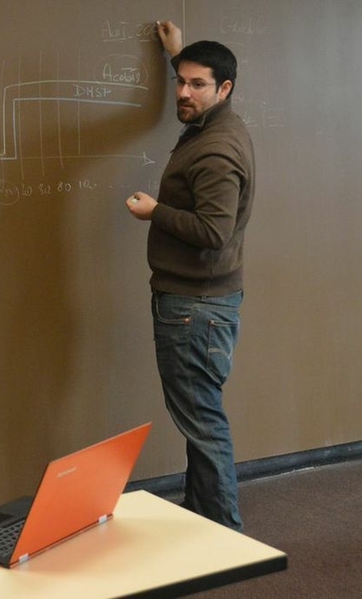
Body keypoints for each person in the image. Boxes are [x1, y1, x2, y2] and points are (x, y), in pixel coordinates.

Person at [125, 21, 255, 531]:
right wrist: (178, 55)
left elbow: (214, 230)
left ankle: (225, 532)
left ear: (224, 89)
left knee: (203, 423)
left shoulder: (216, 150)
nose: (182, 92)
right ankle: (205, 516)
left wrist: (155, 211)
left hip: (193, 310)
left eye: (196, 84)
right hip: (205, 303)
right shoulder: (218, 122)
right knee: (201, 417)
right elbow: (197, 86)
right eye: (181, 80)